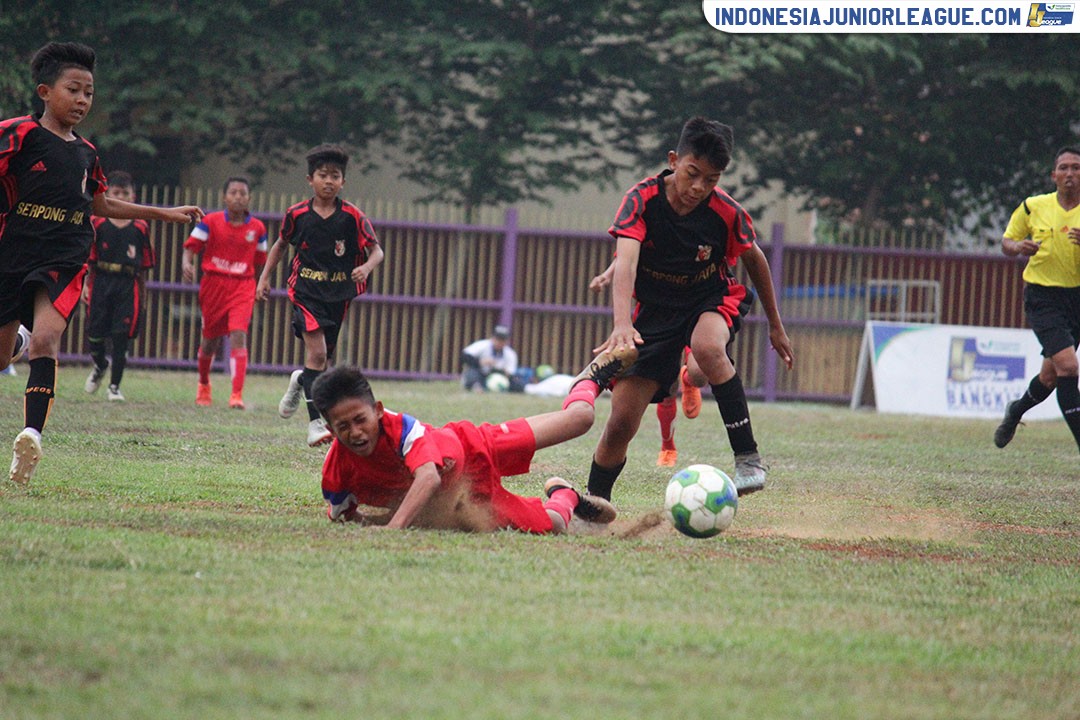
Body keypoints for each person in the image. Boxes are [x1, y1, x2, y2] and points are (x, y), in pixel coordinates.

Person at [0, 42, 202, 484]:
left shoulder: (87, 154)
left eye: (89, 93)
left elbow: (101, 206)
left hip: (66, 254)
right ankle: (12, 342)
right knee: (5, 354)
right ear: (44, 91)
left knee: (46, 341)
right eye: (73, 90)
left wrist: (163, 213)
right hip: (12, 253)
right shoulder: (16, 134)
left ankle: (30, 436)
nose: (82, 101)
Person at [585, 116, 794, 501]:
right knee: (620, 422)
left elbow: (756, 261)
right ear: (673, 160)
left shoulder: (725, 212)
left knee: (708, 350)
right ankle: (595, 507)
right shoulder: (641, 200)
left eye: (711, 180)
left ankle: (747, 457)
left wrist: (776, 326)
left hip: (708, 299)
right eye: (692, 173)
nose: (698, 187)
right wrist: (620, 324)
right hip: (654, 316)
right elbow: (626, 261)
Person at [310, 344, 637, 533]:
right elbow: (344, 516)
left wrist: (392, 529)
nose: (355, 432)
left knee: (581, 419)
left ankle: (591, 379)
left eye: (360, 420)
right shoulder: (337, 471)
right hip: (471, 499)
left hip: (475, 445)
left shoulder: (402, 429)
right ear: (329, 427)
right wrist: (380, 523)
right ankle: (565, 495)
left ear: (379, 411)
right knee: (553, 524)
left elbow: (427, 479)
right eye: (343, 426)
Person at [256, 144, 384, 446]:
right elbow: (280, 245)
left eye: (335, 176)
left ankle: (301, 380)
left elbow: (376, 251)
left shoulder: (353, 217)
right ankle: (315, 424)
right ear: (310, 179)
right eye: (323, 175)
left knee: (321, 361)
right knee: (317, 355)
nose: (329, 181)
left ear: (343, 182)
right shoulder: (297, 214)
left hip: (337, 292)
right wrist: (264, 278)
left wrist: (365, 267)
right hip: (305, 290)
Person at [994, 146, 1080, 451]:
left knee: (1050, 377)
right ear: (1053, 175)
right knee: (1069, 367)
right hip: (1044, 297)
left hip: (1077, 299)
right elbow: (1006, 242)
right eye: (1064, 168)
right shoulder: (1034, 206)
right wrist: (1018, 248)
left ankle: (1016, 410)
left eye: (1076, 168)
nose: (1070, 174)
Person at [589, 259, 706, 467]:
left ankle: (687, 377)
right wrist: (606, 276)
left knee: (699, 374)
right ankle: (668, 447)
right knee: (664, 388)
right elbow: (628, 253)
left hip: (696, 305)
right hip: (657, 311)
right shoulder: (649, 228)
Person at [182, 176, 267, 410]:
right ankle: (203, 384)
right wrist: (186, 263)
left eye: (243, 193)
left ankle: (236, 394)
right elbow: (191, 248)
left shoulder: (257, 228)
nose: (238, 197)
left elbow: (261, 261)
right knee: (210, 341)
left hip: (242, 285)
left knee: (239, 333)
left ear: (249, 198)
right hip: (214, 285)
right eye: (233, 192)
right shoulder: (210, 221)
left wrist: (259, 282)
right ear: (224, 197)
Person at [82, 171, 155, 402]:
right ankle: (100, 364)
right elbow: (89, 259)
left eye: (125, 193)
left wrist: (142, 296)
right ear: (107, 194)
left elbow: (144, 266)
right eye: (116, 192)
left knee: (121, 335)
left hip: (128, 284)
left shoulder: (140, 227)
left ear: (133, 196)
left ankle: (114, 386)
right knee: (94, 334)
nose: (121, 196)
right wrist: (85, 284)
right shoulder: (98, 222)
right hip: (101, 280)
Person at [460, 324, 518, 392]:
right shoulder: (482, 345)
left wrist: (499, 369)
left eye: (503, 340)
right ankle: (476, 387)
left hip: (498, 376)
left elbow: (510, 373)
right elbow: (464, 356)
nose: (500, 342)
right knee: (472, 372)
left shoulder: (510, 354)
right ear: (492, 338)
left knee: (516, 383)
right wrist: (480, 362)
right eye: (498, 339)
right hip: (480, 373)